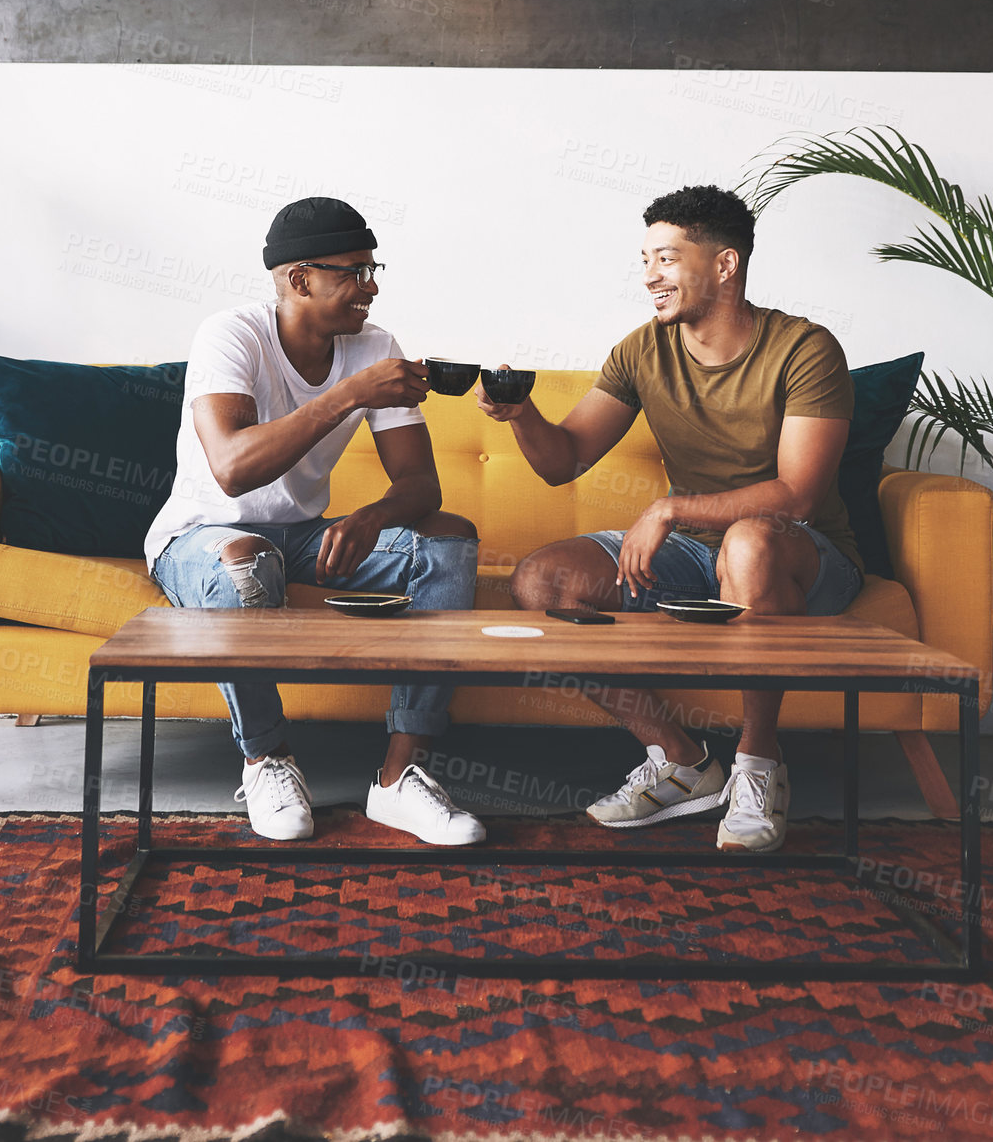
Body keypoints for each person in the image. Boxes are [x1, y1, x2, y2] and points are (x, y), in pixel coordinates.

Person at [478, 184, 863, 854]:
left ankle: (758, 764)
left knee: (748, 545)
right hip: (695, 553)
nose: (649, 275)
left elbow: (798, 494)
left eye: (665, 257)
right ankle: (683, 760)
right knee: (542, 581)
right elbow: (561, 460)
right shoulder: (642, 349)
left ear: (724, 265)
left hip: (801, 557)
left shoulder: (806, 349)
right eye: (645, 258)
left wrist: (670, 506)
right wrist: (521, 415)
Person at [145, 196, 484, 848]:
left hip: (302, 536)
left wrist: (372, 516)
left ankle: (399, 776)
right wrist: (349, 394)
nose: (372, 285)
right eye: (354, 271)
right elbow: (233, 469)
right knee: (247, 558)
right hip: (204, 535)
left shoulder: (376, 345)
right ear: (299, 278)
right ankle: (266, 758)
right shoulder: (232, 335)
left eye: (373, 267)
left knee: (450, 537)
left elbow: (421, 486)